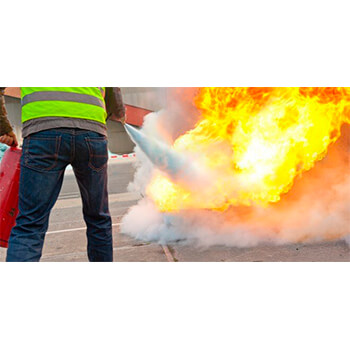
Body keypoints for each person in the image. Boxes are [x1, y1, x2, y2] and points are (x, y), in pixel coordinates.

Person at [0, 87, 126, 262]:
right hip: (91, 132)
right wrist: (117, 112)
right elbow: (113, 91)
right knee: (98, 218)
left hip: (43, 132)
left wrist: (3, 127)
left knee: (30, 224)